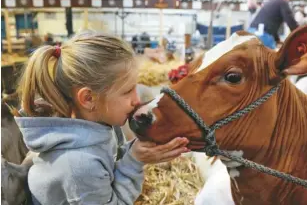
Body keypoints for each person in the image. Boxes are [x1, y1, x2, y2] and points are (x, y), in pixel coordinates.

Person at [14, 30, 190, 205]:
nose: (136, 100)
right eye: (127, 91)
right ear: (89, 99)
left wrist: (137, 151)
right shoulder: (79, 166)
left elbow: (109, 161)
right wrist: (134, 162)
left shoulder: (96, 126)